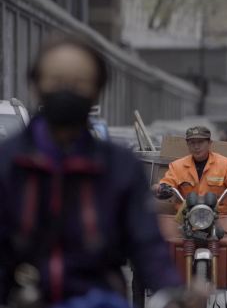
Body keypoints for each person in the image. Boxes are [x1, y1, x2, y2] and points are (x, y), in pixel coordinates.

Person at [0, 34, 182, 307]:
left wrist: (171, 289)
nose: (67, 90)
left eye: (80, 83)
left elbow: (146, 241)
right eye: (56, 80)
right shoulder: (7, 162)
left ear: (97, 90)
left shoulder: (120, 166)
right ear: (36, 85)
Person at [155, 126, 227, 214]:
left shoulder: (225, 164)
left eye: (200, 142)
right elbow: (167, 183)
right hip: (186, 218)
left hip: (219, 217)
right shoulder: (177, 166)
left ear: (209, 143)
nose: (196, 146)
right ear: (187, 145)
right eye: (192, 143)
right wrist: (160, 188)